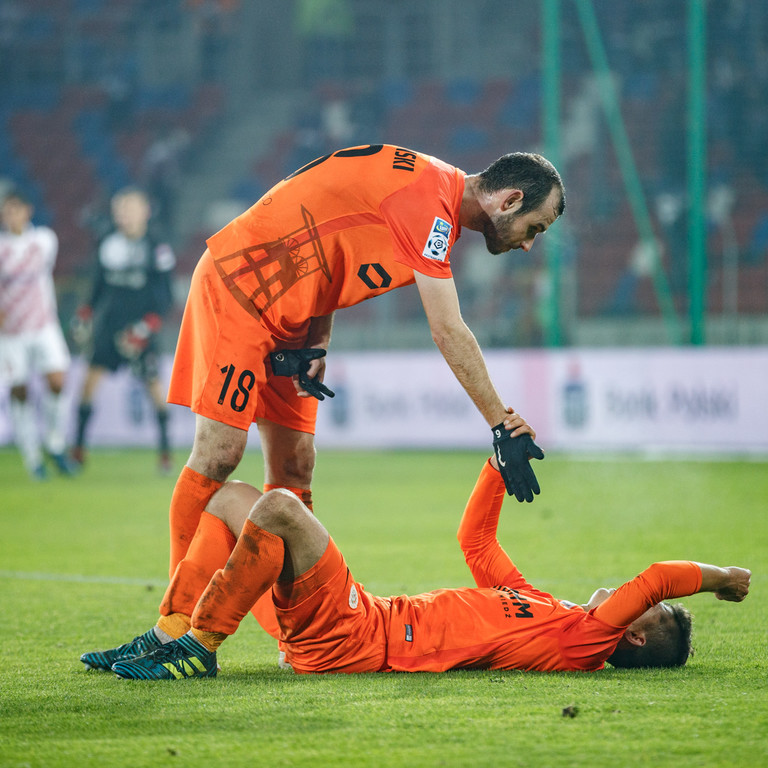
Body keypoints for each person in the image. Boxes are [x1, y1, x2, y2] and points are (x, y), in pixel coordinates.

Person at [164, 144, 564, 610]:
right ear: (509, 200)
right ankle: (173, 622)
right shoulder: (429, 205)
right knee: (219, 454)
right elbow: (448, 329)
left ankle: (300, 629)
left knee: (295, 466)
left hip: (293, 313)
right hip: (242, 286)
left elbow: (331, 237)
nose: (529, 243)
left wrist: (318, 338)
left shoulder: (436, 195)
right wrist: (502, 424)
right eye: (534, 227)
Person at [79, 413, 751, 679]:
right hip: (354, 623)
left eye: (649, 615)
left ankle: (197, 651)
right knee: (230, 500)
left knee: (278, 507)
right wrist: (499, 463)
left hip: (359, 636)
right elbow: (476, 541)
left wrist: (721, 579)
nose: (637, 601)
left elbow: (662, 575)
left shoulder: (583, 644)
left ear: (631, 639)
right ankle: (171, 629)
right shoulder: (547, 610)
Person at [71, 187, 176, 473]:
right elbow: (97, 284)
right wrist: (85, 312)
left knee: (153, 386)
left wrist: (145, 328)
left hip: (142, 326)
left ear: (145, 212)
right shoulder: (106, 241)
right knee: (89, 383)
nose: (124, 216)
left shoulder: (156, 245)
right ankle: (78, 450)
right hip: (110, 325)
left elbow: (167, 295)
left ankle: (165, 454)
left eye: (130, 209)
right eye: (120, 210)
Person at [0, 190, 77, 480]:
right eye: (7, 211)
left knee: (57, 381)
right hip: (10, 334)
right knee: (19, 391)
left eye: (16, 210)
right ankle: (32, 457)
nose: (11, 216)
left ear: (27, 211)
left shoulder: (44, 240)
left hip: (44, 325)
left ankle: (55, 441)